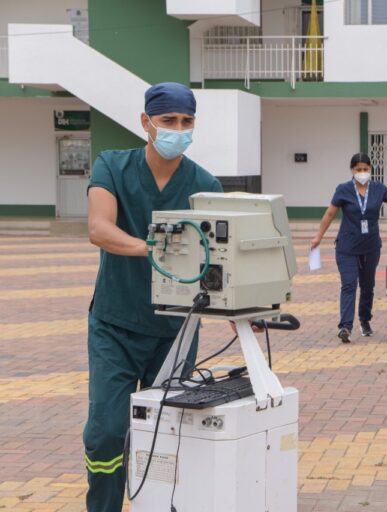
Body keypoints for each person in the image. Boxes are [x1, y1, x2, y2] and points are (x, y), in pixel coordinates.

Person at [84, 82, 223, 512]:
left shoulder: (205, 185)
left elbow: (220, 258)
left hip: (174, 334)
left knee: (169, 433)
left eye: (186, 121)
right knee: (107, 430)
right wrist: (156, 247)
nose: (177, 129)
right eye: (168, 121)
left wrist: (247, 307)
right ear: (146, 123)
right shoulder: (112, 166)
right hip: (116, 327)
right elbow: (99, 229)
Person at [311, 153, 387, 343]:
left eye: (365, 169)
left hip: (370, 247)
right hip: (347, 246)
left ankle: (365, 320)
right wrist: (318, 236)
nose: (362, 173)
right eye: (358, 169)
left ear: (370, 169)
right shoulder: (343, 189)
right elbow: (329, 214)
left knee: (367, 287)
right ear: (352, 170)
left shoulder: (378, 188)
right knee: (349, 284)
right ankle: (345, 326)